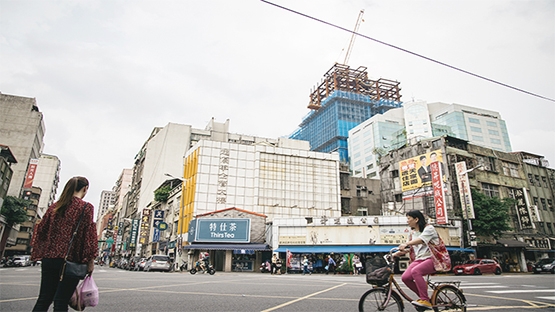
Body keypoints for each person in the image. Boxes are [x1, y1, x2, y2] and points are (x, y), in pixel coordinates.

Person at [31, 176, 98, 312]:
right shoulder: (85, 207)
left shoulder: (55, 207)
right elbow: (89, 236)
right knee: (61, 301)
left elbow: (41, 230)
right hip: (70, 261)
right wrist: (90, 260)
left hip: (49, 259)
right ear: (85, 189)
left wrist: (44, 251)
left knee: (44, 299)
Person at [393, 209, 438, 310]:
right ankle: (425, 298)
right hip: (419, 259)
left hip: (433, 259)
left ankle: (424, 299)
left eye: (409, 219)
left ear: (416, 219)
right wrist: (394, 254)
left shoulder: (429, 228)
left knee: (416, 271)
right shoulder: (413, 233)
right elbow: (408, 248)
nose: (407, 221)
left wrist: (407, 243)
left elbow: (422, 240)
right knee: (405, 277)